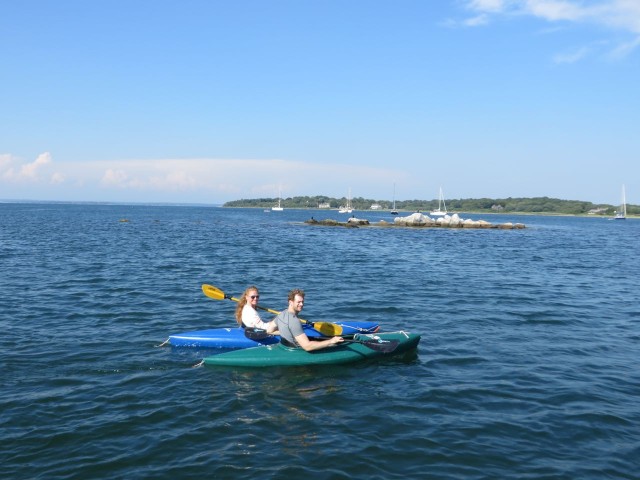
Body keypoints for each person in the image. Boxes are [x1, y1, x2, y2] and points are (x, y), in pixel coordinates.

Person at [275, 288, 344, 351]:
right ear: (290, 302)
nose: (301, 304)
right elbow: (307, 347)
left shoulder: (281, 314)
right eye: (298, 302)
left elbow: (270, 330)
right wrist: (331, 341)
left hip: (285, 346)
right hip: (296, 351)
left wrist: (288, 332)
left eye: (302, 301)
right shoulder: (294, 321)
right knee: (333, 344)